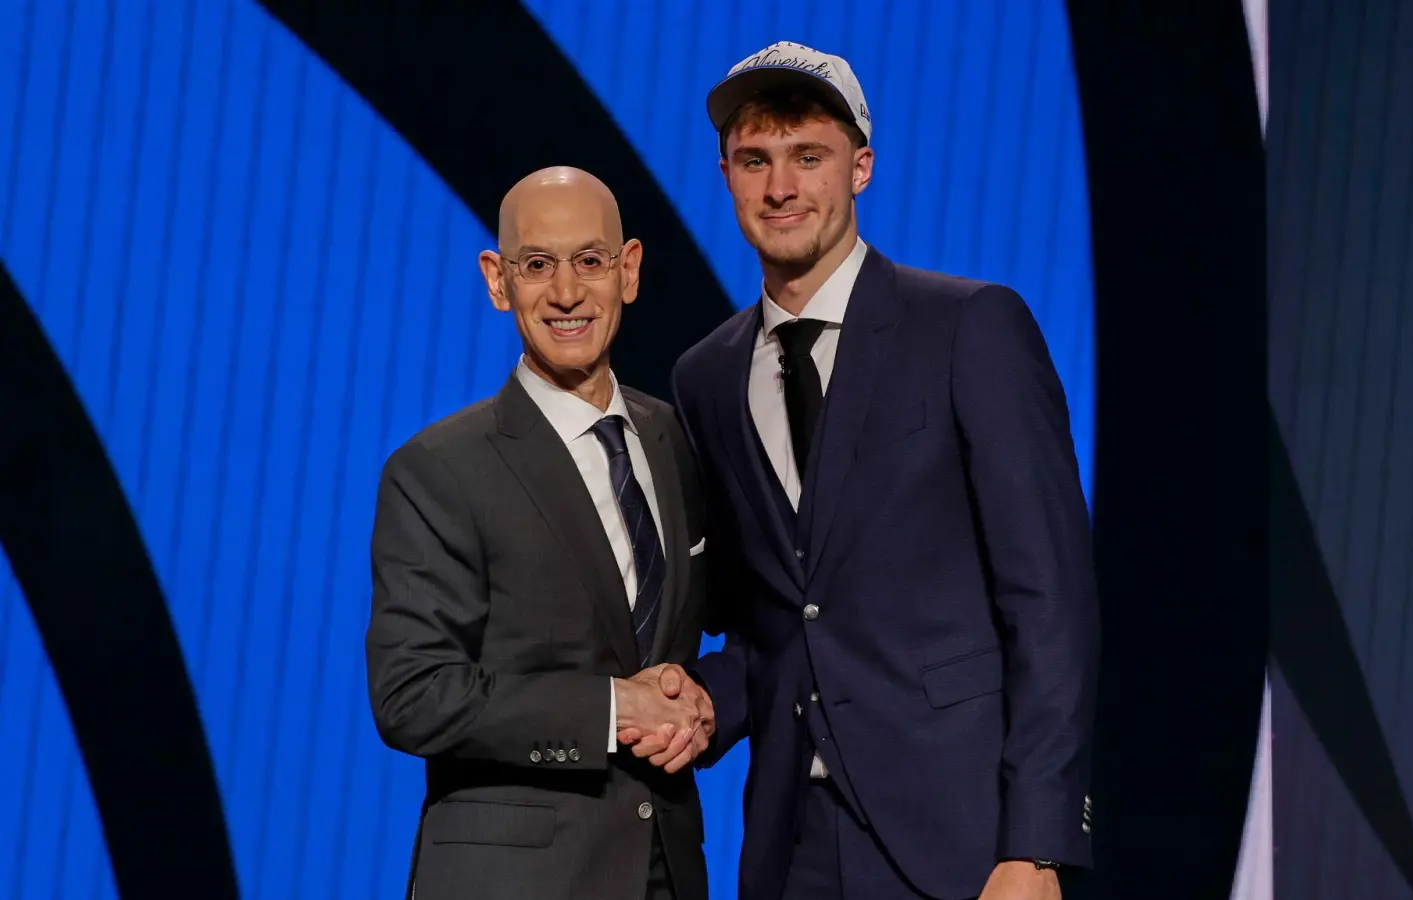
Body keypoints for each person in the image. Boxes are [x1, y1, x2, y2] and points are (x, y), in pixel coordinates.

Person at [622, 41, 1101, 900]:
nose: (781, 187)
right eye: (755, 160)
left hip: (964, 844)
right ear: (725, 172)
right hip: (791, 846)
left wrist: (1036, 846)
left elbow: (1050, 603)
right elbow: (770, 626)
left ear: (861, 168)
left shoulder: (969, 328)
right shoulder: (707, 377)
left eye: (809, 157)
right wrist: (694, 699)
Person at [366, 167, 717, 900]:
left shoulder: (675, 442)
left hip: (667, 871)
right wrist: (616, 710)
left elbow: (712, 634)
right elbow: (414, 694)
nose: (565, 293)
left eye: (589, 261)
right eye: (537, 265)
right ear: (498, 281)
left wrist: (699, 702)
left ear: (629, 271)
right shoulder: (439, 469)